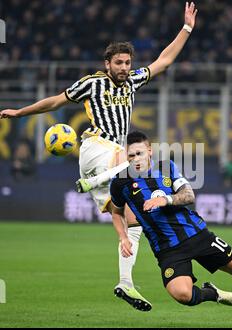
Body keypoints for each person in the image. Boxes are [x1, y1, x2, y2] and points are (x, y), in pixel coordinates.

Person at [0, 2, 198, 312]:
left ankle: (126, 283)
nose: (124, 68)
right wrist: (19, 111)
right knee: (133, 161)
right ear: (107, 63)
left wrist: (186, 28)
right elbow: (55, 101)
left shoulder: (132, 81)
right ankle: (96, 178)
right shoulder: (93, 84)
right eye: (118, 63)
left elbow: (164, 61)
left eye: (127, 63)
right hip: (96, 148)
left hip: (115, 159)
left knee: (134, 217)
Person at [110, 131, 232, 324]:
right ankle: (213, 293)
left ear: (149, 151)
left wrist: (166, 199)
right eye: (131, 156)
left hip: (196, 234)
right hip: (167, 248)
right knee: (182, 294)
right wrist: (123, 237)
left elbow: (189, 195)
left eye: (139, 153)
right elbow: (116, 212)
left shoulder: (166, 168)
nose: (135, 160)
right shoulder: (119, 182)